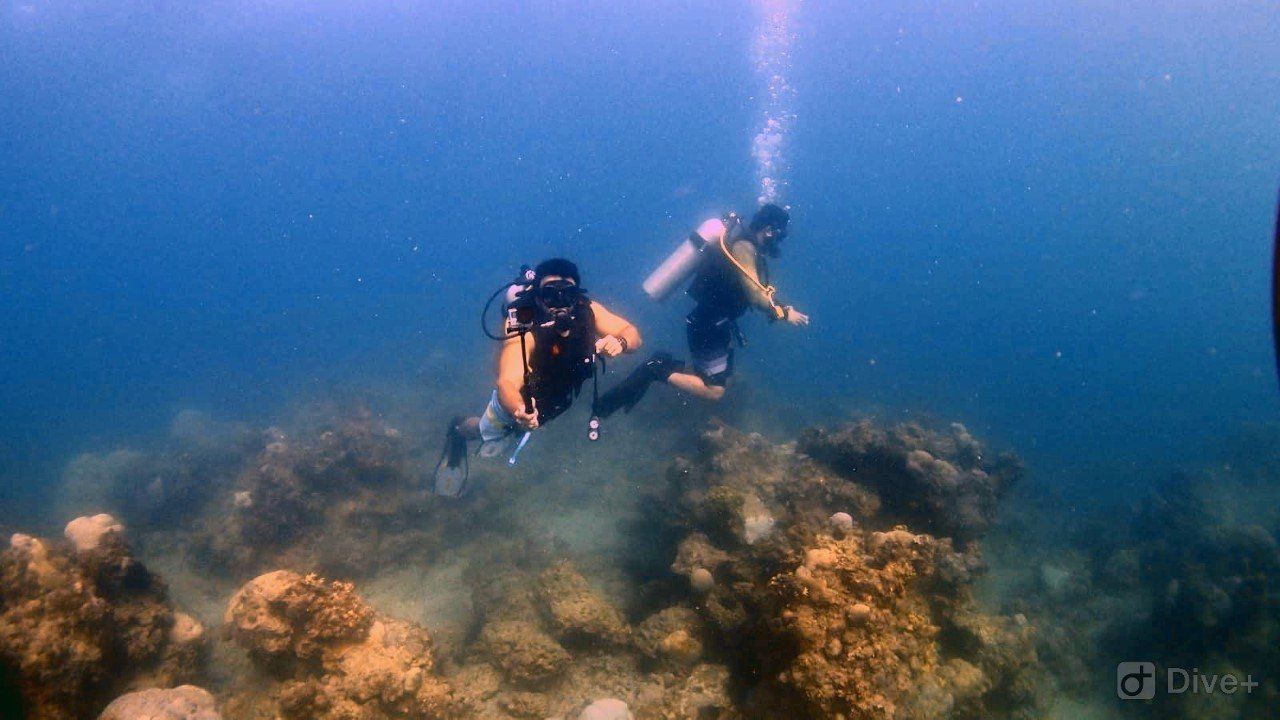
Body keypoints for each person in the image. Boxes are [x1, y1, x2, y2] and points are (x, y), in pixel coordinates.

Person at [433, 258, 642, 496]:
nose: (560, 303)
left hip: (558, 396)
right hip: (521, 398)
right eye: (551, 294)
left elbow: (632, 333)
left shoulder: (588, 309)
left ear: (577, 294)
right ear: (538, 295)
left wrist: (621, 342)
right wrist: (518, 410)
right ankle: (459, 429)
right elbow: (508, 380)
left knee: (522, 428)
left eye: (567, 293)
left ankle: (518, 429)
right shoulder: (522, 318)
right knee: (487, 431)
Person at [595, 203, 808, 415]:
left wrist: (779, 306)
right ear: (769, 230)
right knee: (714, 391)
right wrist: (783, 313)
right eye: (780, 234)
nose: (780, 240)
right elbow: (754, 295)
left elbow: (757, 291)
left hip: (716, 322)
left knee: (719, 379)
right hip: (709, 324)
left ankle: (660, 364)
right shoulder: (744, 247)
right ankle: (655, 369)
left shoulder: (746, 246)